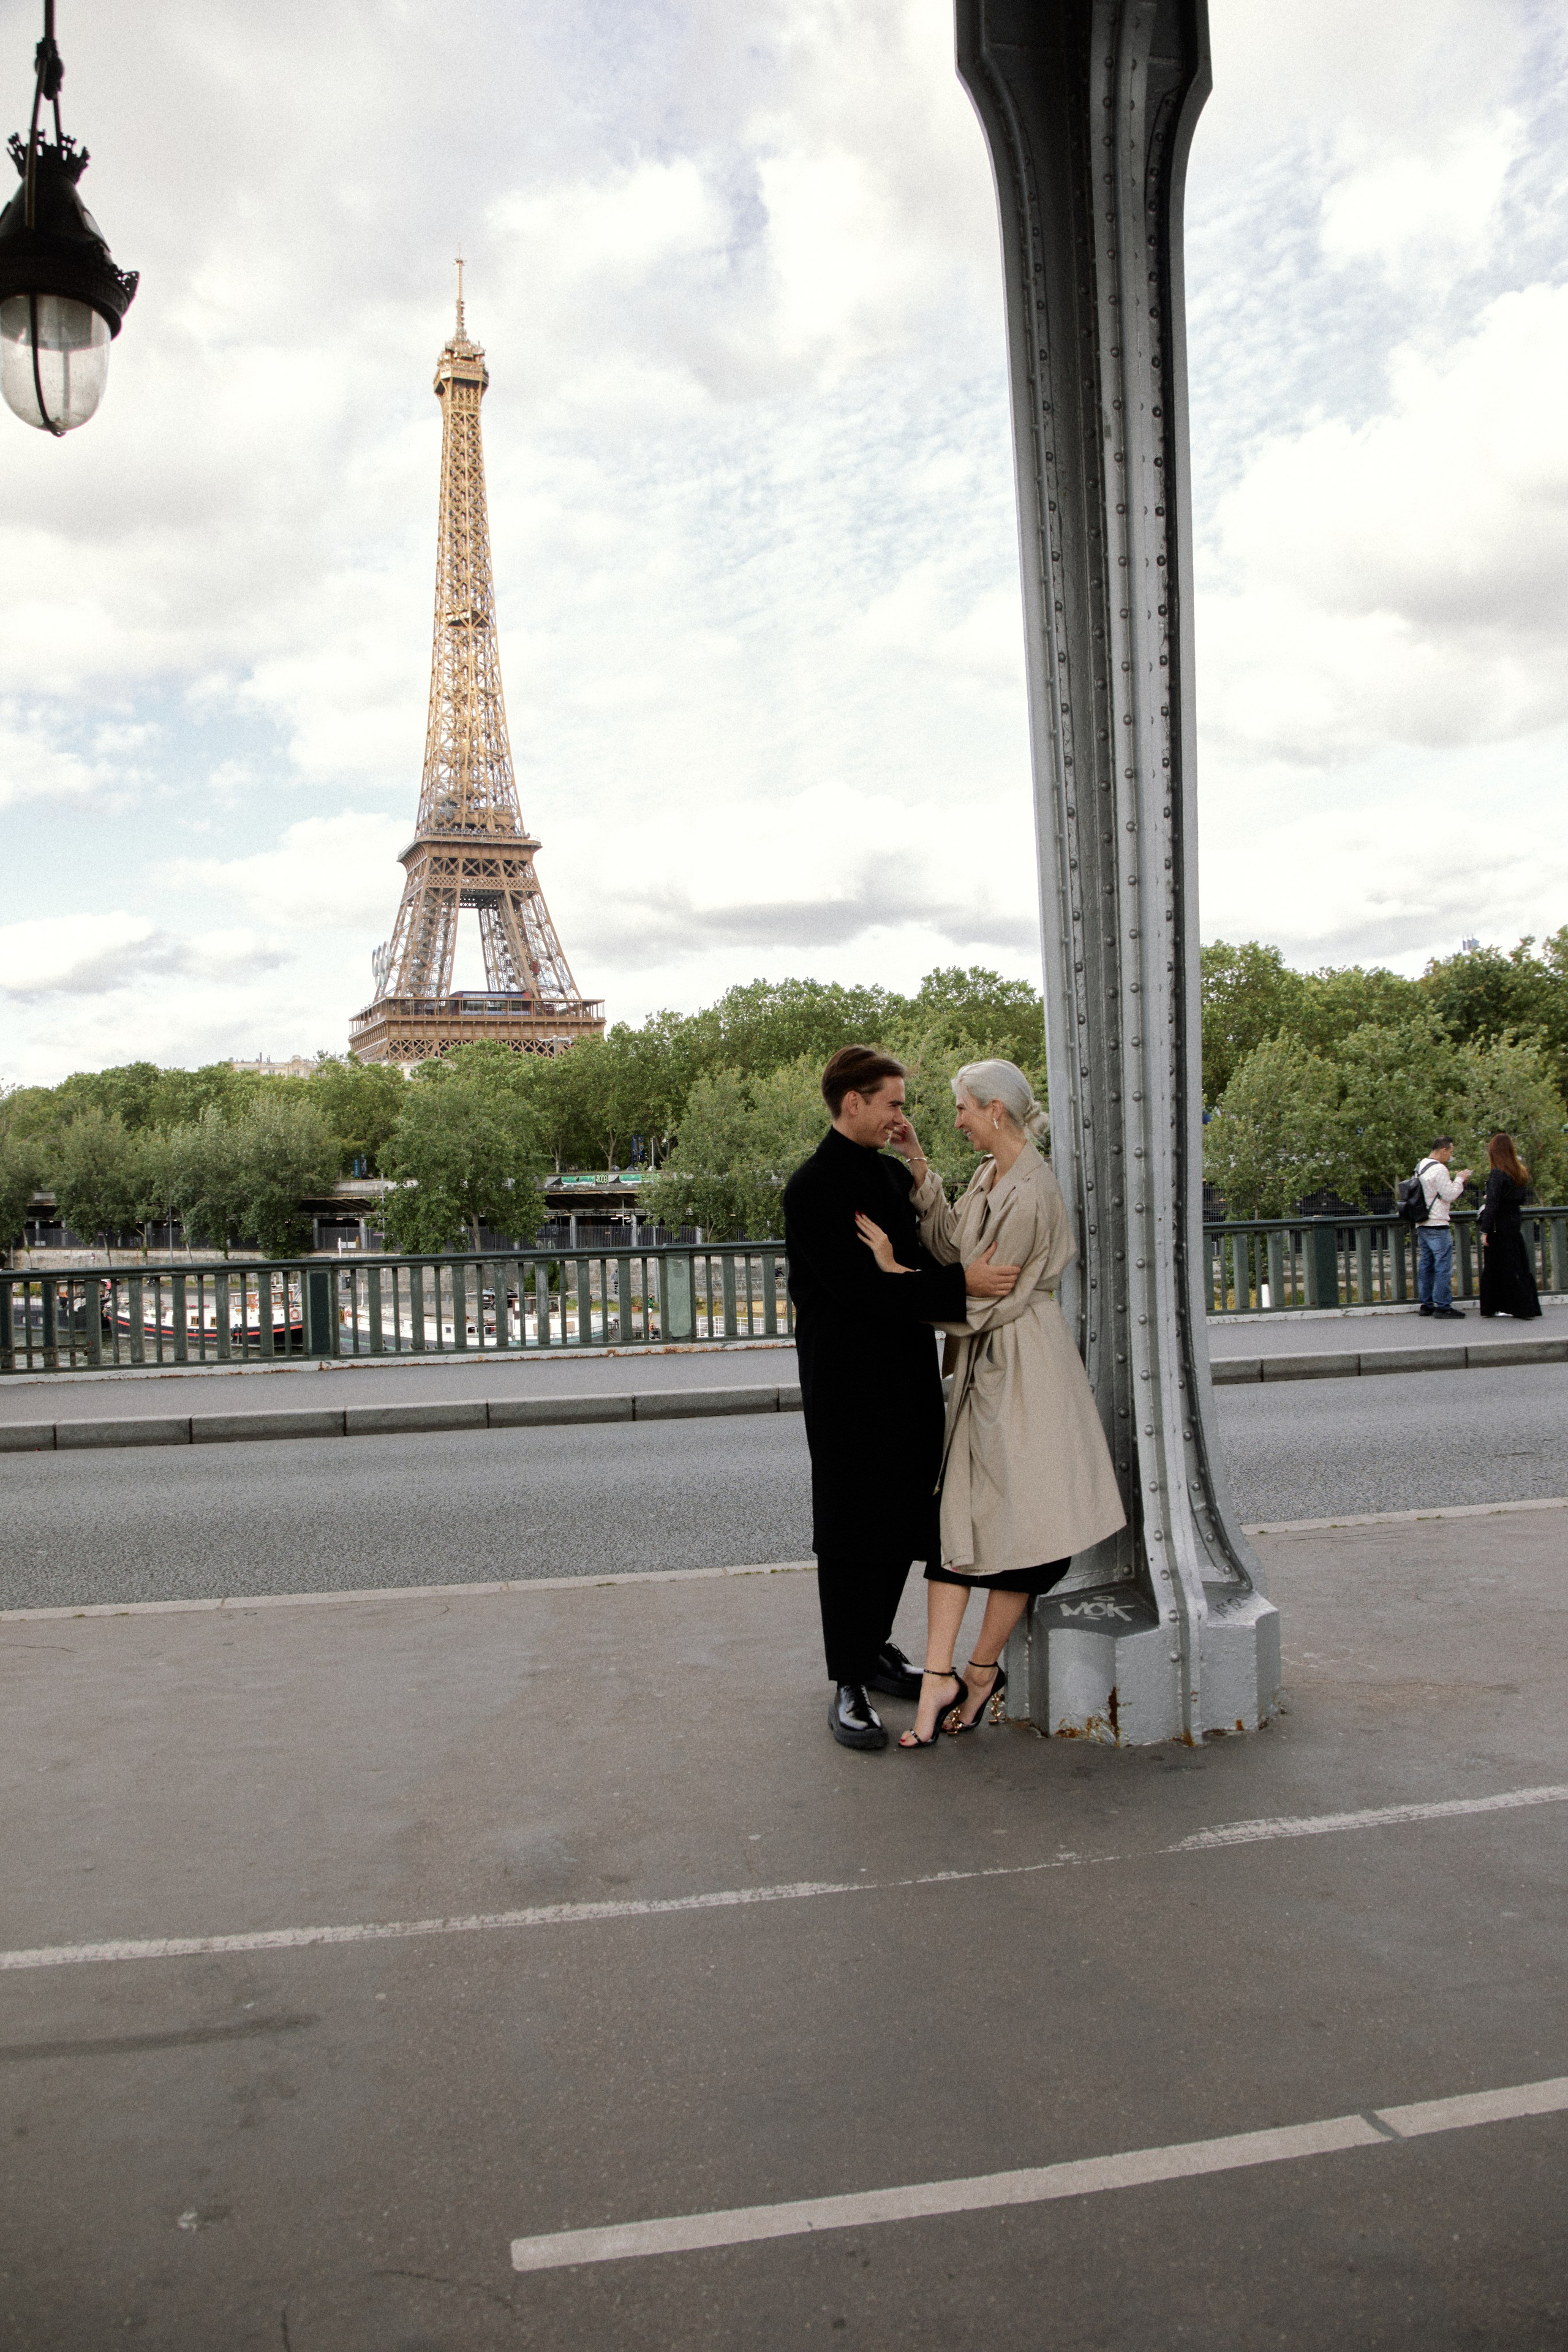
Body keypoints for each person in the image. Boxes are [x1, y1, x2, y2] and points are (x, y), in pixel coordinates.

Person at [854, 1058, 1126, 1748]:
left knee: (1009, 1525)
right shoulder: (993, 1174)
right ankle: (958, 1674)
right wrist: (918, 1164)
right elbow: (956, 1251)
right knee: (971, 1522)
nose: (956, 1121)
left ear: (995, 1111)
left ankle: (972, 1672)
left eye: (962, 1110)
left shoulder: (1032, 1192)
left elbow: (986, 1295)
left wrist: (897, 1280)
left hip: (1020, 1366)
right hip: (991, 1360)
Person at [783, 1046, 1022, 1751]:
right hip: (847, 1385)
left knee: (902, 1519)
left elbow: (925, 1259)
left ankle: (876, 1652)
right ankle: (848, 1677)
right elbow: (858, 1291)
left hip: (906, 1376)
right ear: (850, 1102)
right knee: (851, 1527)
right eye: (891, 1102)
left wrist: (918, 1167)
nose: (901, 1115)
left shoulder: (887, 1174)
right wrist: (952, 1288)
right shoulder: (812, 1188)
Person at [1478, 1130, 1542, 1321]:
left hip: (1499, 1225)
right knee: (1516, 1263)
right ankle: (1524, 1305)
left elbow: (1493, 1205)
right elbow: (1521, 1198)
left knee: (1495, 1266)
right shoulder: (1519, 1172)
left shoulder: (1498, 1173)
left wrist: (1485, 1230)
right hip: (1514, 1222)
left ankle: (1494, 1305)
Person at [1414, 1136, 1471, 1320]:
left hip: (1422, 1222)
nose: (1451, 1156)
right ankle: (1443, 1306)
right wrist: (1460, 1179)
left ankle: (1426, 1304)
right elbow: (1450, 1194)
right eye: (1451, 1152)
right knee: (1443, 1266)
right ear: (1444, 1150)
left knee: (1426, 1264)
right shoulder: (1439, 1169)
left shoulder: (1420, 1166)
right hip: (1437, 1223)